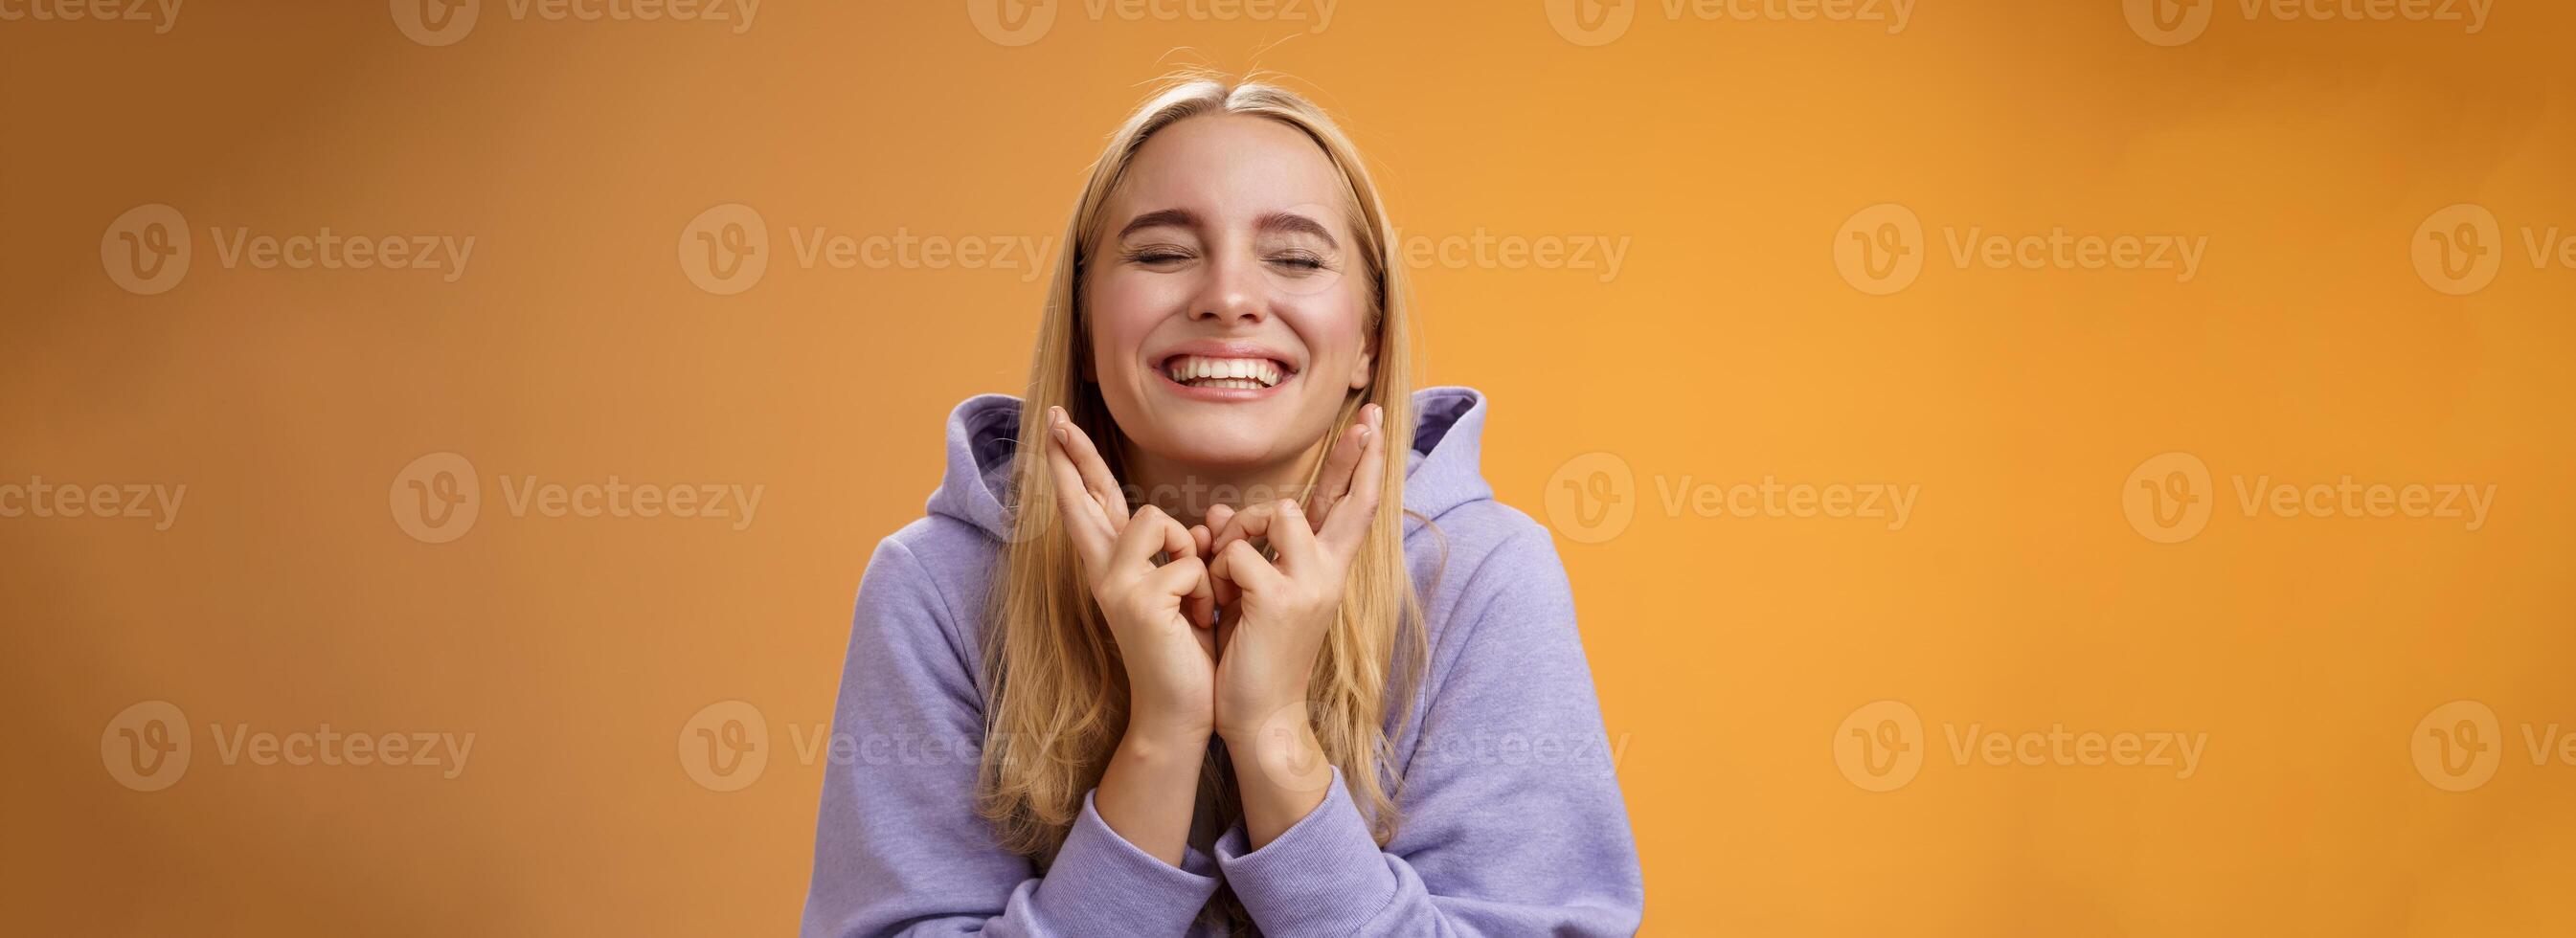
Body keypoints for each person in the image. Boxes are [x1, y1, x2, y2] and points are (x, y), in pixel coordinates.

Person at [801, 70, 1643, 936]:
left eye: (1296, 257)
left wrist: (1272, 733)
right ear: (1086, 328)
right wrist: (1160, 741)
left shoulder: (1485, 576)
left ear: (1369, 340)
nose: (1228, 298)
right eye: (1163, 253)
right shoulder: (936, 586)